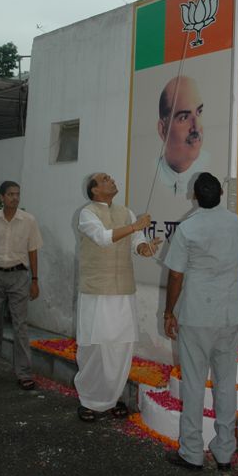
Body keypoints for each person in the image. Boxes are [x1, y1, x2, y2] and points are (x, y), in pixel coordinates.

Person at [163, 172, 238, 472]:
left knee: (195, 384)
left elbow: (175, 275)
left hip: (197, 315)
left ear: (195, 196)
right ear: (221, 195)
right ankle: (225, 452)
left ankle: (192, 452)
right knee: (226, 384)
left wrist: (168, 311)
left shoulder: (188, 228)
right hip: (229, 313)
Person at [75, 172, 161, 422]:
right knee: (95, 347)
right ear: (95, 191)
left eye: (110, 178)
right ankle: (90, 400)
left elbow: (137, 242)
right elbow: (102, 238)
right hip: (96, 291)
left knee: (121, 347)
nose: (111, 180)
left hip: (123, 290)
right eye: (105, 179)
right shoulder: (87, 213)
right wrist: (136, 227)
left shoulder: (126, 212)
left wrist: (145, 248)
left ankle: (111, 398)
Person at [0, 180, 43, 390]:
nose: (15, 198)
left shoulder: (28, 221)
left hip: (19, 276)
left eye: (17, 194)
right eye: (10, 194)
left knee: (20, 325)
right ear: (1, 197)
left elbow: (33, 251)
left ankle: (23, 373)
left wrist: (35, 280)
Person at [156, 76, 210, 196]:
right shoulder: (153, 173)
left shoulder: (209, 164)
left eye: (199, 112)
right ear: (163, 130)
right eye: (184, 117)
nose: (196, 127)